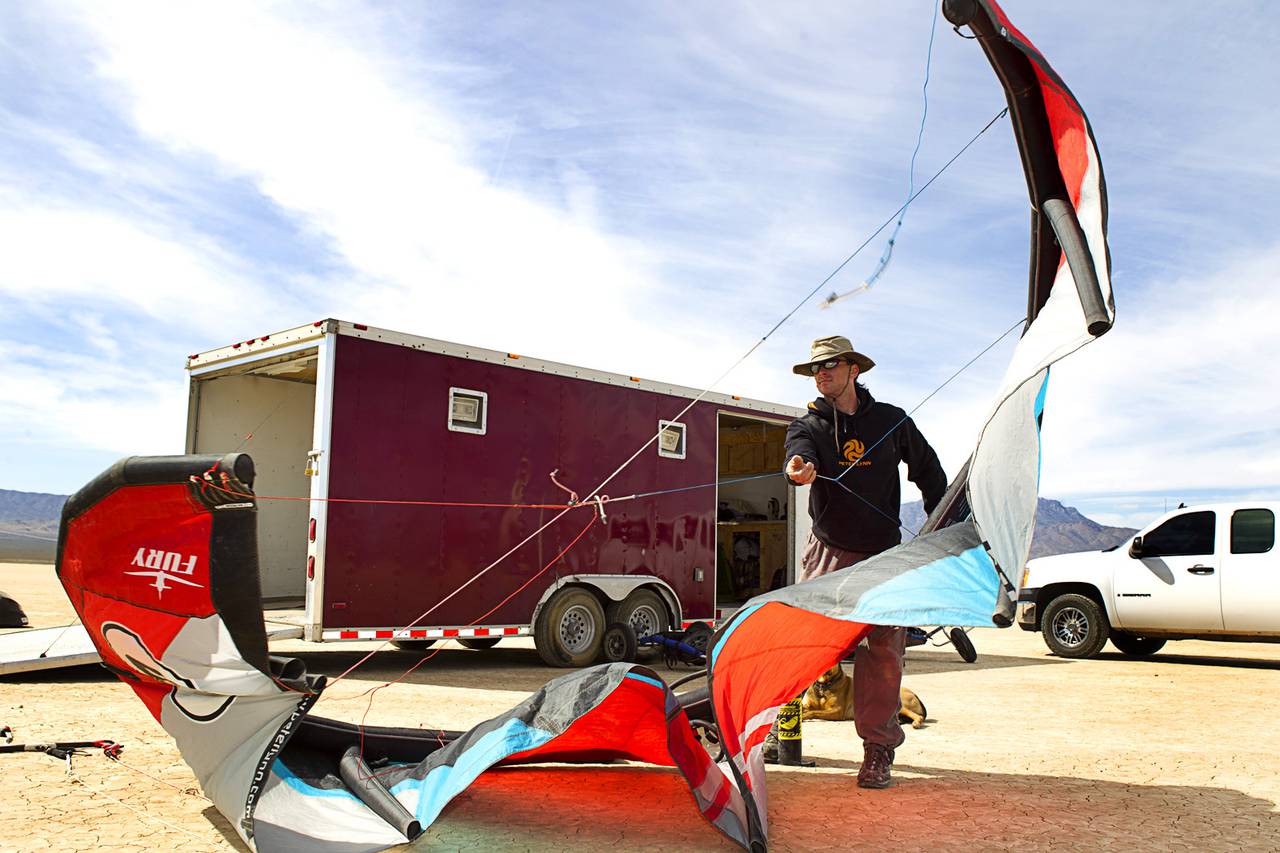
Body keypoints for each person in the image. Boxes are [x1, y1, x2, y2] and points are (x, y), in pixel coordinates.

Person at [782, 334, 947, 789]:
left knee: (883, 654)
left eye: (831, 365)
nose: (821, 373)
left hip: (883, 555)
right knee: (800, 647)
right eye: (815, 368)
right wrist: (798, 468)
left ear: (854, 369)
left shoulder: (892, 421)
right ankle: (775, 733)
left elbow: (929, 470)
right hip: (827, 551)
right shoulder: (808, 426)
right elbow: (798, 456)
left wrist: (951, 522)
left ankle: (878, 750)